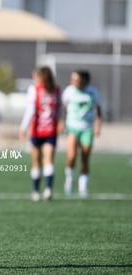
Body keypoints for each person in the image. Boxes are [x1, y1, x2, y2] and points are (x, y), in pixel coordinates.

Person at [19, 66, 62, 201]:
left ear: (41, 77)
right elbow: (59, 109)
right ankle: (48, 190)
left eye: (35, 76)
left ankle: (36, 192)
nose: (34, 79)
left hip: (37, 131)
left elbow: (30, 110)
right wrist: (61, 122)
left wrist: (23, 128)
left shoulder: (34, 90)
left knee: (36, 162)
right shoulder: (57, 90)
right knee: (48, 160)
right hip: (51, 130)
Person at [61, 70, 102, 198]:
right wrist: (62, 122)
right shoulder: (69, 91)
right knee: (72, 156)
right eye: (72, 79)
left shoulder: (93, 92)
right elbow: (64, 108)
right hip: (72, 127)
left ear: (85, 81)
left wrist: (98, 126)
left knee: (85, 157)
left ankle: (83, 186)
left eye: (77, 80)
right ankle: (69, 179)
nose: (74, 82)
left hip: (87, 128)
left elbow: (99, 111)